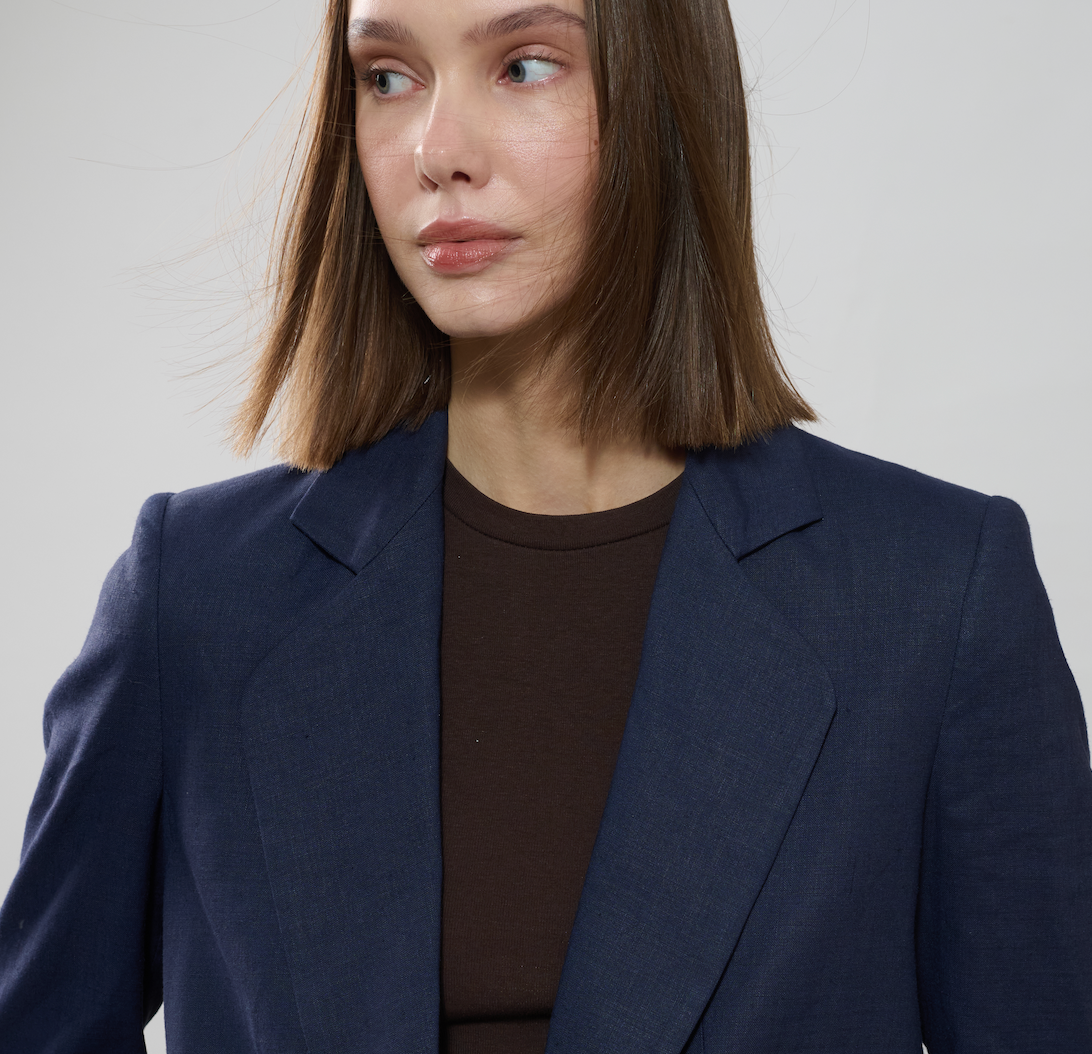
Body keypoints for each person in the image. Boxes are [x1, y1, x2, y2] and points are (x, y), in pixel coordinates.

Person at [0, 0, 1089, 1050]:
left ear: (666, 95)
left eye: (524, 64)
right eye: (388, 77)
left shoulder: (934, 595)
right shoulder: (197, 595)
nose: (437, 151)